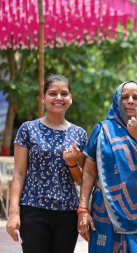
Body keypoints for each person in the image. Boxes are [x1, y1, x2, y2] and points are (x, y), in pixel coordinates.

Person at [77, 81, 137, 253]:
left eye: (136, 97)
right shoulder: (102, 130)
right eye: (124, 97)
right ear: (116, 101)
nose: (130, 101)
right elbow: (89, 172)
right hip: (105, 210)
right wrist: (82, 210)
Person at [6, 74, 87, 253]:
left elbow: (82, 180)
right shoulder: (28, 129)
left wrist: (72, 163)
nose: (59, 98)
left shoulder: (79, 134)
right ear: (43, 98)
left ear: (70, 98)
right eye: (53, 93)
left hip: (67, 213)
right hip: (33, 209)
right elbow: (19, 174)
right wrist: (13, 213)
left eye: (64, 93)